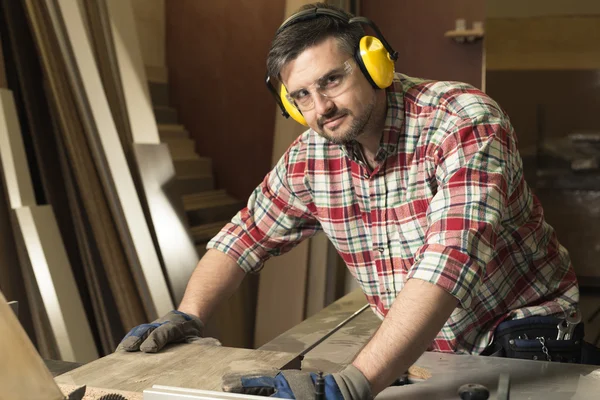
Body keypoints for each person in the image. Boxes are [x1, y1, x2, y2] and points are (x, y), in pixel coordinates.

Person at [118, 3, 598, 399]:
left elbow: (451, 260)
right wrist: (188, 313)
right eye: (301, 96)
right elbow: (244, 236)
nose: (321, 107)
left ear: (375, 63)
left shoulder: (462, 120)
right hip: (425, 350)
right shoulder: (312, 156)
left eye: (331, 80)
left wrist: (356, 382)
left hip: (517, 334)